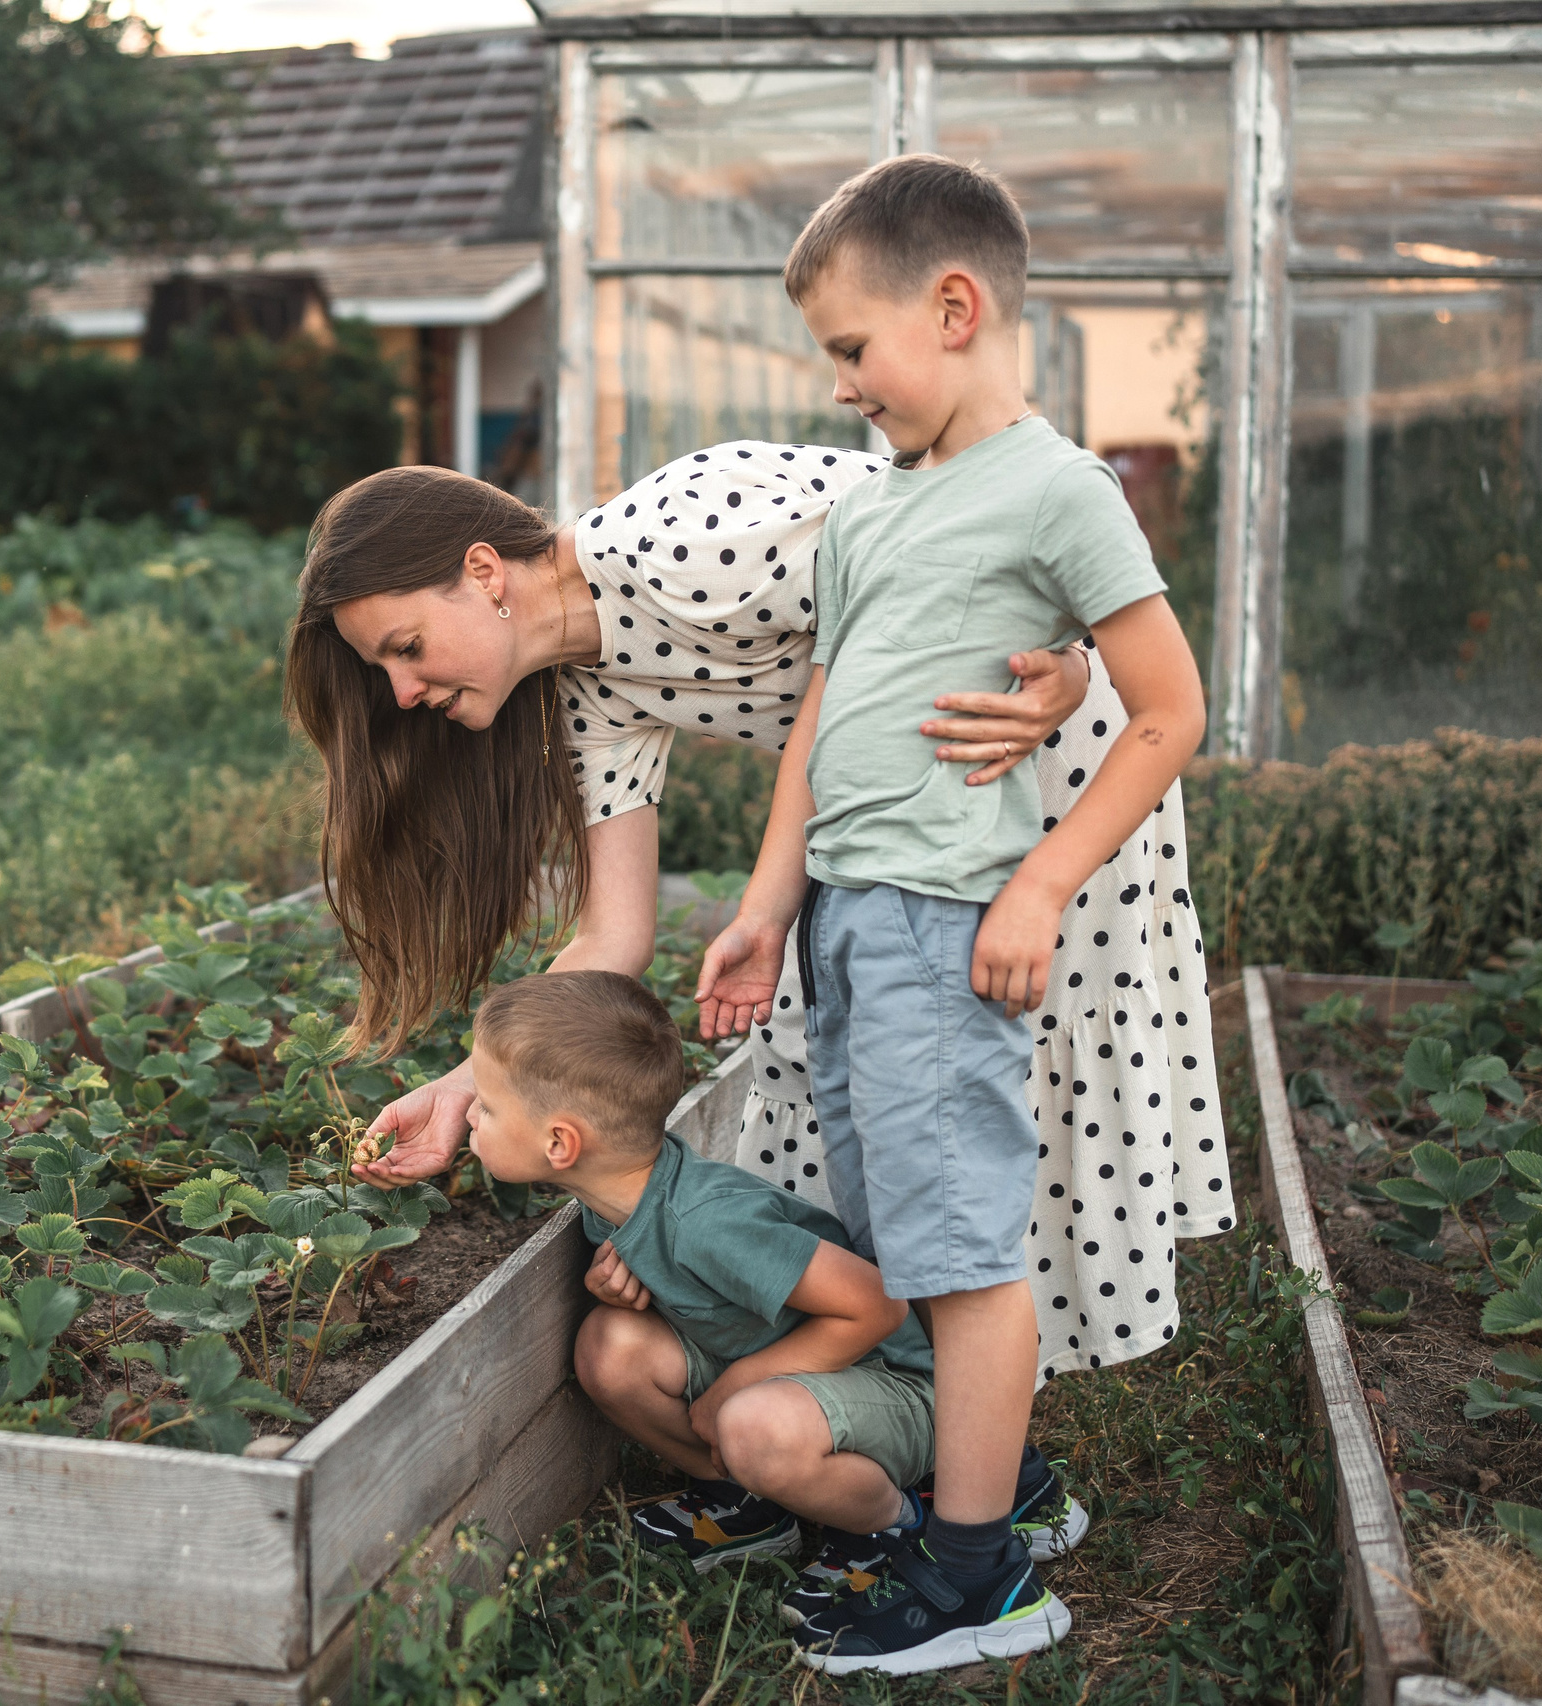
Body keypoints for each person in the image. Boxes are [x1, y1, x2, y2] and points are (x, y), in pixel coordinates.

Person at [690, 155, 1211, 1675]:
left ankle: (979, 1577)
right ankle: (994, 1499)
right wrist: (766, 908)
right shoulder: (868, 519)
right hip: (847, 922)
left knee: (968, 1256)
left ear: (957, 307)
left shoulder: (1059, 490)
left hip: (939, 918)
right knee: (902, 1234)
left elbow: (1170, 709)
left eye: (854, 349)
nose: (843, 383)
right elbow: (822, 726)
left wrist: (1040, 881)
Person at [467, 970, 1079, 1664]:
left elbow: (878, 1305)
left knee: (749, 1423)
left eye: (486, 1107)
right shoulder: (621, 1195)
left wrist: (736, 1389)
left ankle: (892, 1528)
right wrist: (616, 1287)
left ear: (560, 1145)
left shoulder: (709, 1223)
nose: (470, 1117)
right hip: (807, 1378)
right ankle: (752, 1506)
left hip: (896, 1388)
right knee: (610, 1347)